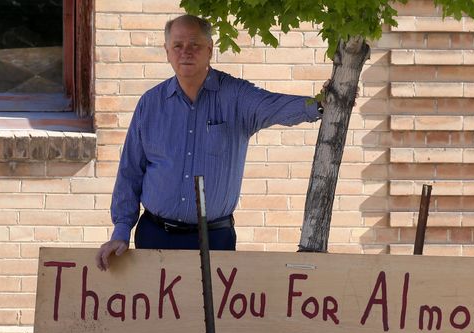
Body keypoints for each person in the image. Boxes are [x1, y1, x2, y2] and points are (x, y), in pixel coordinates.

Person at [95, 14, 324, 270]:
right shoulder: (150, 104)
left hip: (214, 240)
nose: (186, 53)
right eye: (178, 46)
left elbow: (275, 105)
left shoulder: (236, 97)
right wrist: (121, 230)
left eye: (195, 45)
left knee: (211, 312)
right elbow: (130, 172)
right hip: (155, 237)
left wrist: (322, 105)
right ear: (167, 52)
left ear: (210, 50)